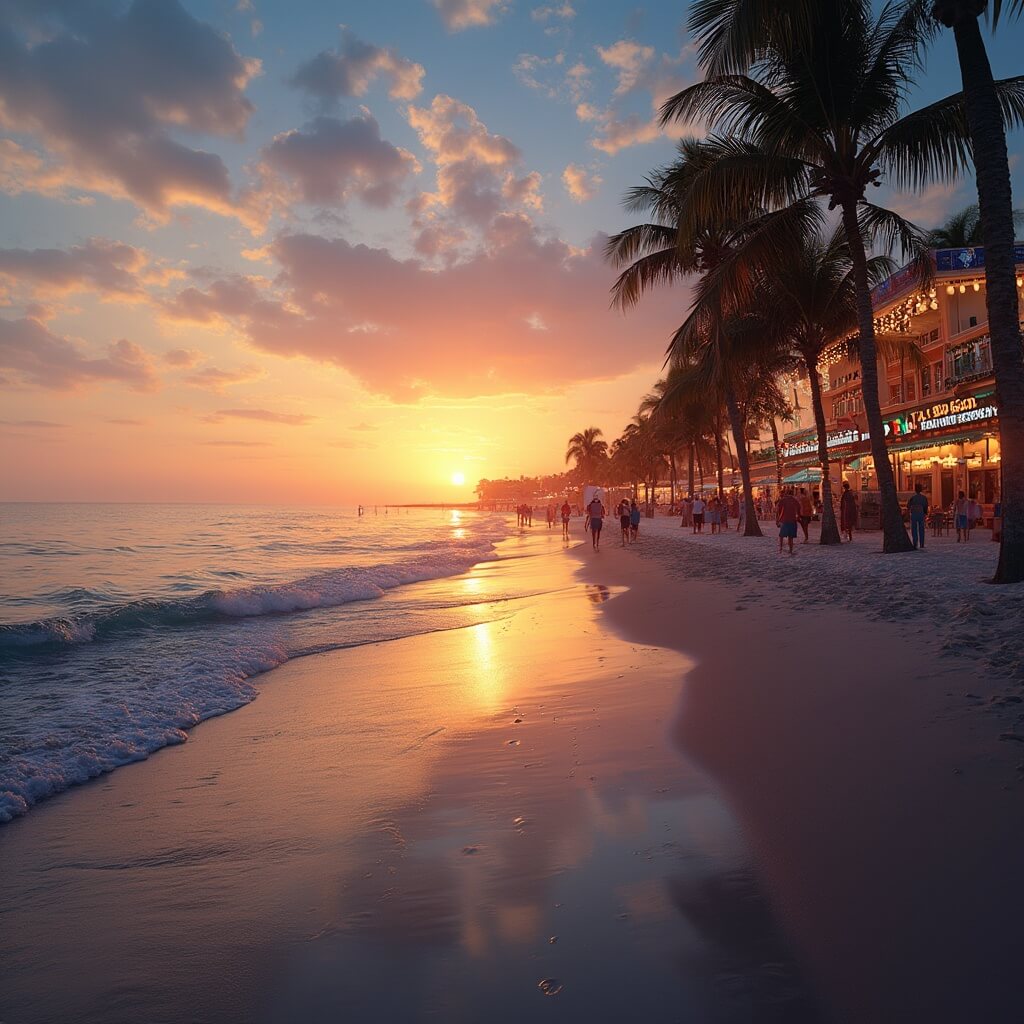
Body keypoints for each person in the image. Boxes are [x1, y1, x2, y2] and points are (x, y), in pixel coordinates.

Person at [776, 487, 801, 555]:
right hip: (793, 520)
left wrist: (778, 520)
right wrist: (798, 517)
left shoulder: (783, 500)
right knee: (791, 537)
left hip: (784, 520)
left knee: (781, 535)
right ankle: (790, 550)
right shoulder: (795, 500)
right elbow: (798, 509)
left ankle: (780, 548)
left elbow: (779, 511)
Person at [907, 483, 928, 550]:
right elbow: (925, 506)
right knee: (921, 529)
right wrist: (925, 513)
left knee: (914, 529)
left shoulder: (912, 498)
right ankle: (922, 543)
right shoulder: (924, 498)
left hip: (914, 514)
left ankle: (915, 543)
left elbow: (908, 506)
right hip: (921, 513)